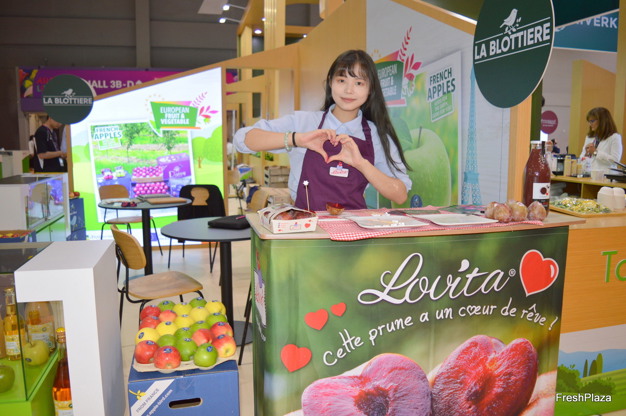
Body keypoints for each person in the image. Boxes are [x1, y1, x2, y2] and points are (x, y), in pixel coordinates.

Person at [233, 49, 411, 211]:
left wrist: (361, 164)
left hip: (353, 228)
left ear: (370, 89)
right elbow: (242, 140)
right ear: (330, 82)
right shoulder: (303, 122)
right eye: (341, 80)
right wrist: (297, 139)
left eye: (359, 83)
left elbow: (400, 195)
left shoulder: (376, 135)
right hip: (305, 227)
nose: (349, 90)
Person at [580, 107, 622, 172]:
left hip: (607, 176)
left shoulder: (614, 137)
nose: (590, 124)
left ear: (602, 121)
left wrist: (595, 152)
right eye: (589, 121)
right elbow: (581, 159)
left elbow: (615, 160)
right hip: (589, 174)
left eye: (592, 121)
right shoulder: (589, 137)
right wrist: (586, 154)